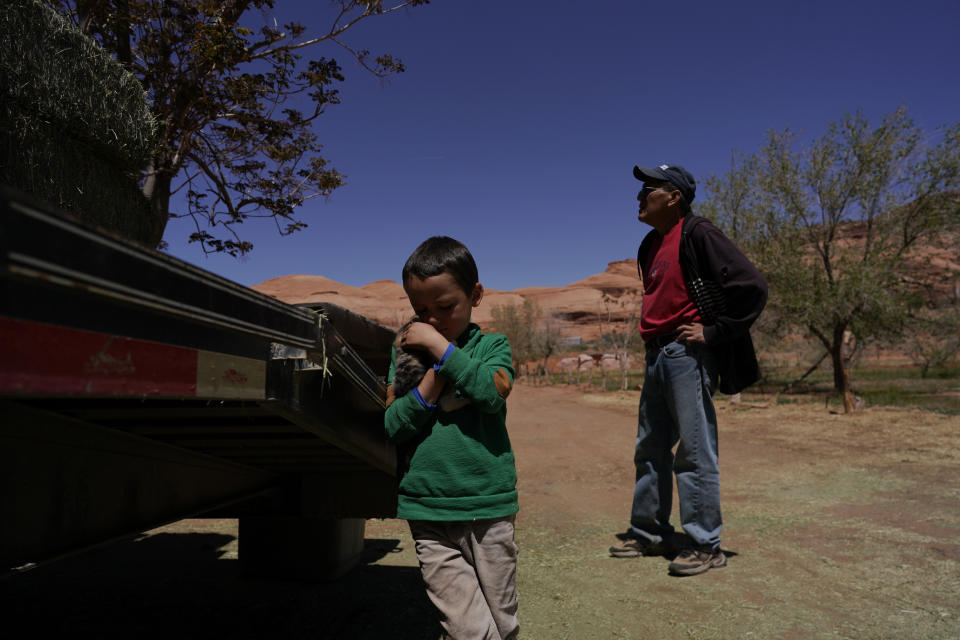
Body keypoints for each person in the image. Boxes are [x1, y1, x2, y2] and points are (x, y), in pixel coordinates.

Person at [609, 164, 768, 576]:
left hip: (687, 354)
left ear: (674, 195)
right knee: (650, 448)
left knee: (694, 452)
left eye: (648, 190)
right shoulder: (650, 244)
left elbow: (751, 285)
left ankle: (704, 543)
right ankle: (649, 532)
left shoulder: (699, 233)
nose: (639, 197)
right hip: (657, 354)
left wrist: (715, 332)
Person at [385, 236, 520, 639]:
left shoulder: (491, 346)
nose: (433, 320)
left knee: (502, 620)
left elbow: (491, 393)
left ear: (475, 294)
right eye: (421, 311)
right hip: (428, 510)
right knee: (465, 627)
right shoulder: (405, 353)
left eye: (445, 308)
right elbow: (393, 424)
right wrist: (429, 383)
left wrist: (439, 348)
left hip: (488, 508)